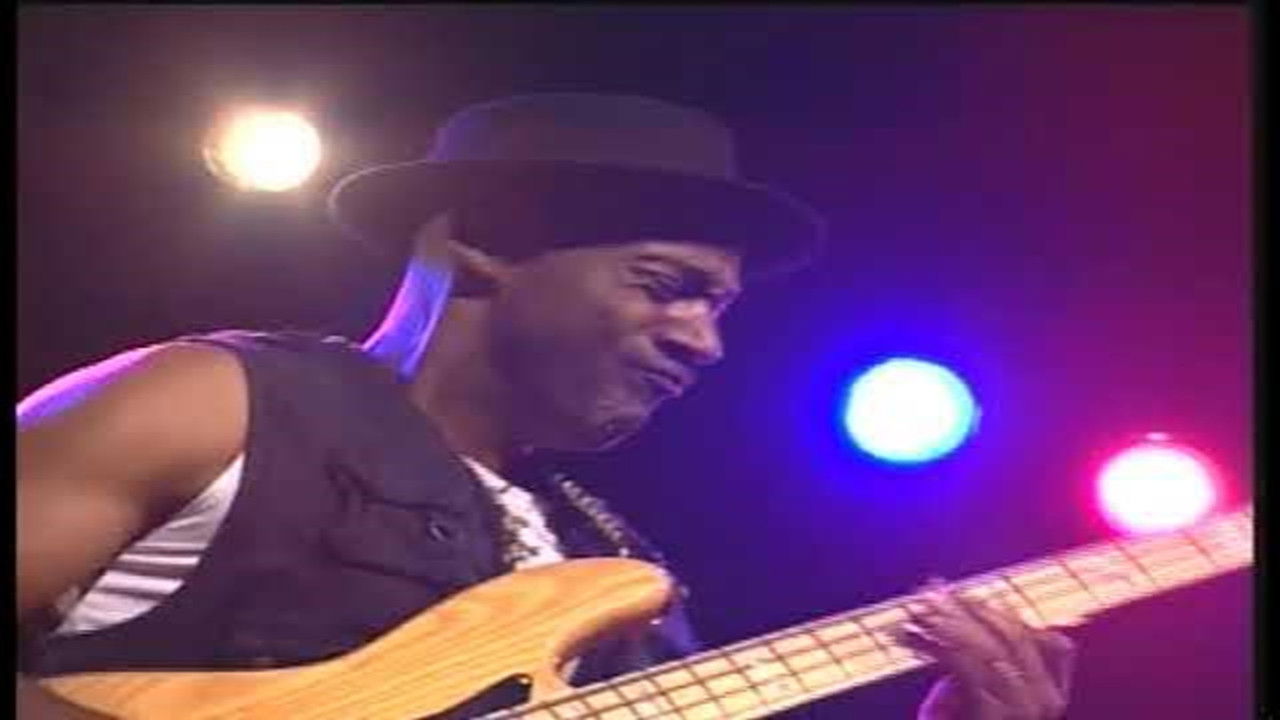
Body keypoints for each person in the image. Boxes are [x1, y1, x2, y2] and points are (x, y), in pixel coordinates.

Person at [17, 93, 1075, 719]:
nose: (705, 342)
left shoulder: (618, 573)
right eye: (666, 285)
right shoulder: (222, 402)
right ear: (487, 239)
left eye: (720, 308)